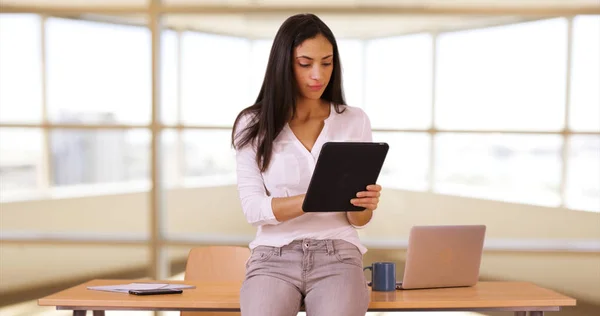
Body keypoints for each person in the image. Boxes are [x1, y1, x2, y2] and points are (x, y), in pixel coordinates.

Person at [231, 13, 382, 316]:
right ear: (283, 64)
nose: (318, 75)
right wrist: (317, 198)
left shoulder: (354, 120)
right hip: (272, 255)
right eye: (305, 63)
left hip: (338, 251)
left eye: (326, 63)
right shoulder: (253, 124)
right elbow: (254, 209)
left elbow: (358, 220)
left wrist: (365, 205)